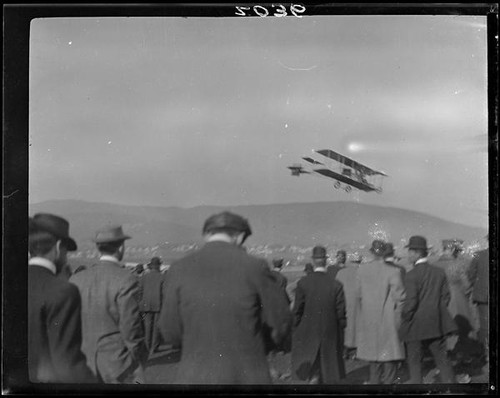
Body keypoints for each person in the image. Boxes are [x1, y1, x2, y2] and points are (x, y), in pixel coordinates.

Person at [158, 211, 292, 384]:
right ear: (240, 236)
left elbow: (169, 330)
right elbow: (281, 322)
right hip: (248, 373)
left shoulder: (179, 268)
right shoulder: (255, 266)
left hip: (195, 374)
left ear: (206, 234)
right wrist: (257, 344)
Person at [70, 225, 147, 384]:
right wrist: (139, 356)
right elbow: (130, 327)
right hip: (117, 365)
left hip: (82, 361)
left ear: (98, 248)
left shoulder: (76, 279)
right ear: (120, 247)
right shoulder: (127, 279)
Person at [28, 213, 96, 383]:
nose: (66, 256)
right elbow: (67, 363)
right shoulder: (63, 291)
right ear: (58, 247)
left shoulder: (9, 282)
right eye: (66, 249)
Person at [399, 236, 457, 384]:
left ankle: (417, 387)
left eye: (411, 251)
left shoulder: (411, 275)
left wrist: (405, 317)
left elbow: (411, 302)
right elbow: (446, 296)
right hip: (436, 322)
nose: (409, 254)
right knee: (442, 358)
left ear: (418, 253)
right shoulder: (438, 272)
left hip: (415, 324)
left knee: (414, 360)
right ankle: (449, 387)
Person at [292, 246, 346, 384]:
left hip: (308, 328)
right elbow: (341, 312)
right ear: (325, 261)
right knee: (328, 368)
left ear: (314, 261)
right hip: (330, 328)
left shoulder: (303, 283)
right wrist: (341, 327)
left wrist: (297, 326)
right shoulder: (336, 284)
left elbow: (297, 310)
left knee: (313, 364)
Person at [355, 240, 406, 384]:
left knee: (373, 359)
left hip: (369, 318)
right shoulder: (393, 271)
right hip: (389, 319)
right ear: (385, 253)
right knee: (389, 356)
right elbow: (400, 298)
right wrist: (398, 316)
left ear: (371, 252)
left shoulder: (361, 270)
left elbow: (358, 295)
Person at [434, 239, 475, 340]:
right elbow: (467, 285)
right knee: (460, 329)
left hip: (438, 299)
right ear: (452, 250)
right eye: (457, 251)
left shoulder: (434, 264)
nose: (458, 253)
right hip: (457, 298)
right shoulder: (458, 264)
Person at [335, 252, 362, 359]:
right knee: (358, 326)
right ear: (360, 261)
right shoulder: (363, 272)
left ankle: (345, 351)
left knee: (346, 328)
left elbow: (336, 287)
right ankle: (356, 352)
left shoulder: (341, 272)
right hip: (359, 302)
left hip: (344, 302)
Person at [468, 242, 489, 361]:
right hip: (484, 296)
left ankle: (485, 352)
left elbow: (471, 275)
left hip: (483, 296)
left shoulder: (478, 255)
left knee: (485, 325)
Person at [139, 257, 164, 356]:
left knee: (147, 326)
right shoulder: (163, 277)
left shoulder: (144, 277)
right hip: (159, 304)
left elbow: (140, 292)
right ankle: (154, 347)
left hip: (146, 305)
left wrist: (140, 304)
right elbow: (165, 292)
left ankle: (147, 347)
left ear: (151, 266)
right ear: (158, 266)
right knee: (156, 327)